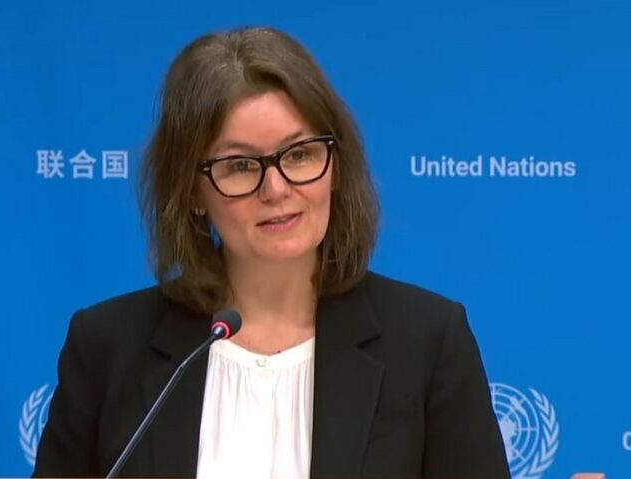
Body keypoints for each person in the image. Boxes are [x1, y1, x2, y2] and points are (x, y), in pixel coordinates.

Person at [33, 27, 510, 479]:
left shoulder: (427, 342)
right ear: (192, 190)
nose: (277, 189)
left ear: (335, 165)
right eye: (241, 165)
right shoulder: (109, 348)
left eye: (299, 154)